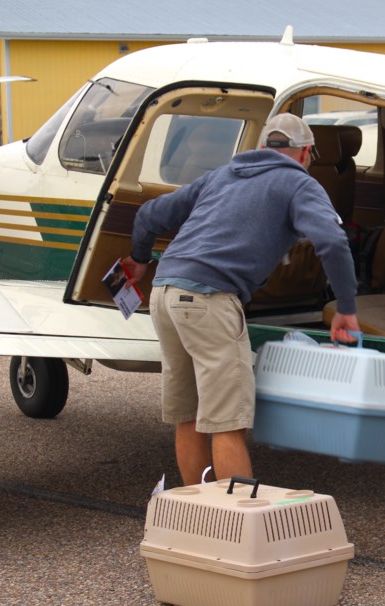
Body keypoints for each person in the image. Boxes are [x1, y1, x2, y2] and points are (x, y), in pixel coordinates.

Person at [123, 113, 360, 485]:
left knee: (190, 415)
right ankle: (238, 525)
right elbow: (331, 241)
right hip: (208, 299)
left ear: (263, 146)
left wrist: (138, 261)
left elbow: (150, 215)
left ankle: (197, 517)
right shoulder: (299, 183)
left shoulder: (220, 175)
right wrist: (346, 308)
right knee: (227, 420)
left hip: (164, 293)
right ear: (306, 153)